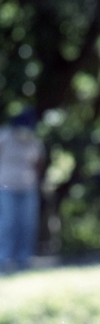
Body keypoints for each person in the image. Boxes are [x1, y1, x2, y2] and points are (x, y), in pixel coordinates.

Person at [0, 108, 46, 272]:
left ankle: (24, 260)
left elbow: (39, 163)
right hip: (5, 187)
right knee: (7, 223)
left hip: (28, 187)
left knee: (27, 224)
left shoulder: (34, 141)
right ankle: (3, 260)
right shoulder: (4, 136)